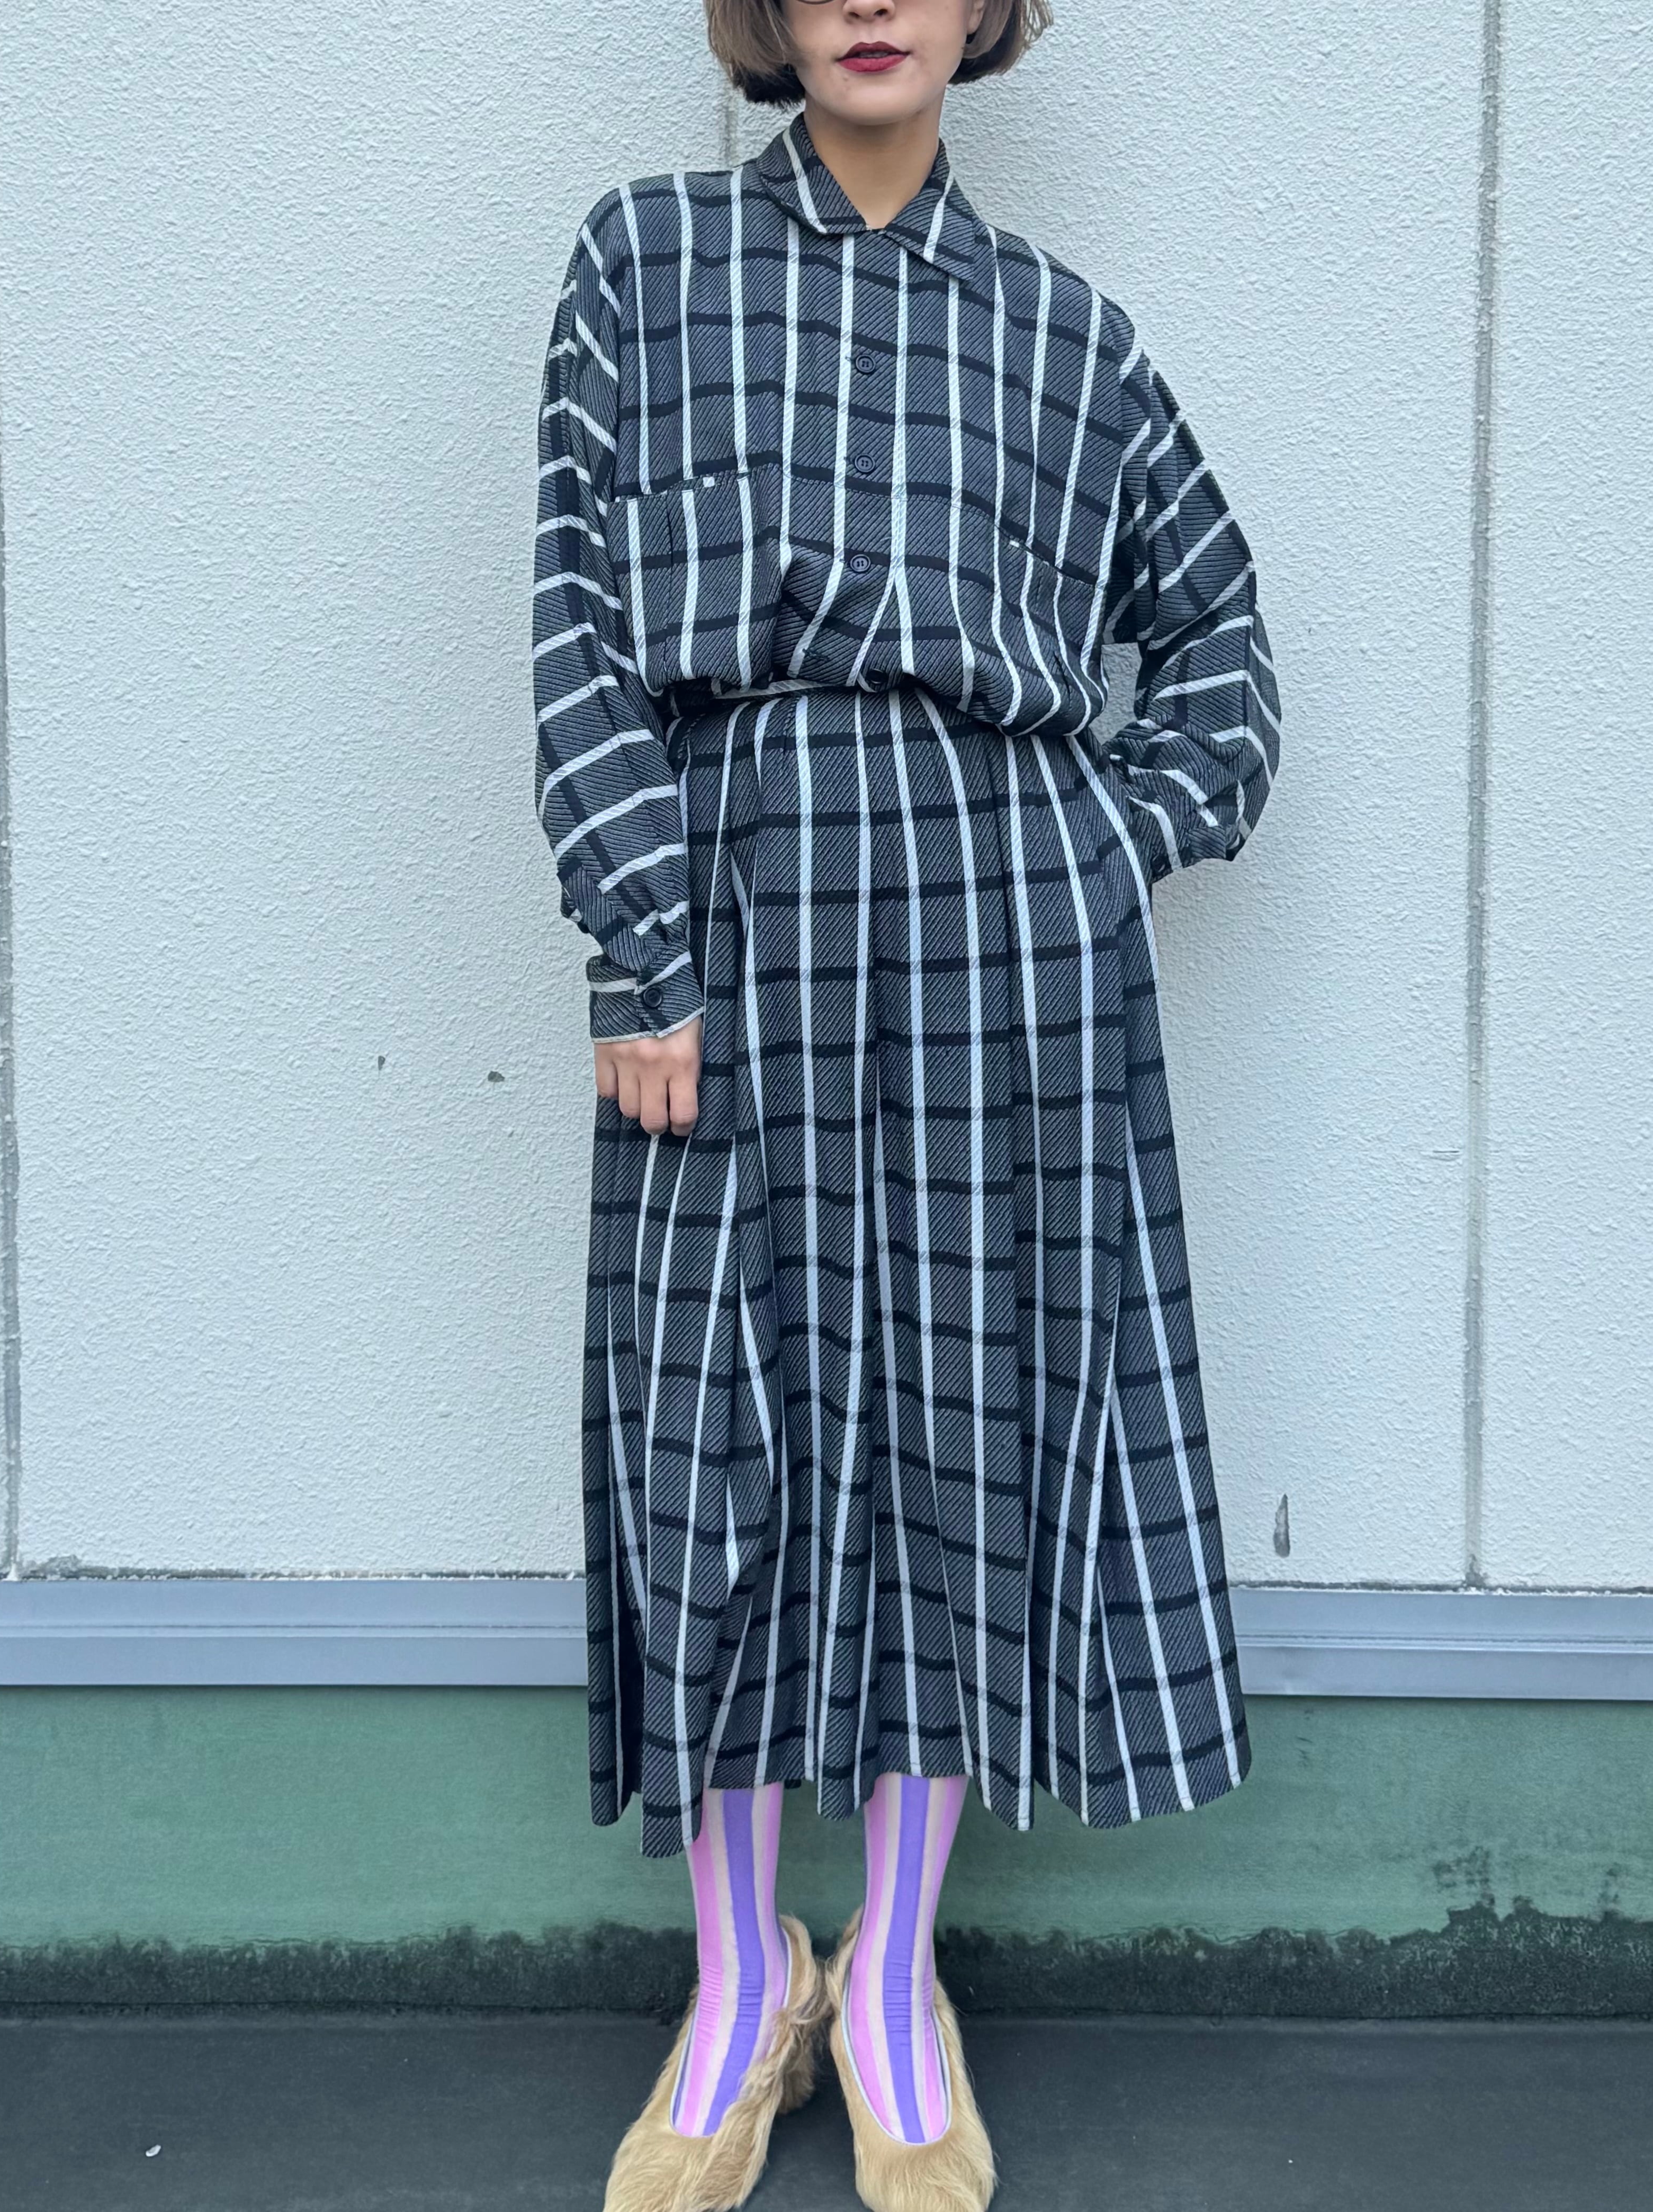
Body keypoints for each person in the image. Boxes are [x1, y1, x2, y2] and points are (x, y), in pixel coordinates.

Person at [531, 0, 1281, 2204]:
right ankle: (738, 1979)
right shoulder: (650, 259)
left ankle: (891, 1980)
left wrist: (1102, 846)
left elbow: (1225, 651)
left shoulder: (1067, 337)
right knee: (714, 1436)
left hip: (1000, 962)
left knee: (959, 1430)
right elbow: (578, 622)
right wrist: (641, 945)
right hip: (733, 918)